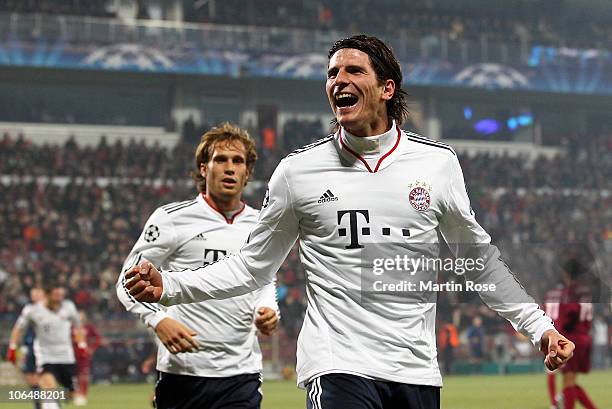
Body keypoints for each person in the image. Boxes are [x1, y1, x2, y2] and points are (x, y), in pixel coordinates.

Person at [126, 35, 574, 409]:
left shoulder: (437, 165)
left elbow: (478, 261)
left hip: (415, 368)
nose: (338, 80)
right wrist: (170, 286)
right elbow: (250, 267)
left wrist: (538, 327)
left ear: (386, 88)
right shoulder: (297, 173)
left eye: (353, 71)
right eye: (332, 73)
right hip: (337, 363)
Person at [116, 122, 279, 409]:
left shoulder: (260, 224)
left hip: (241, 373)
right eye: (220, 159)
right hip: (184, 372)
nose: (230, 168)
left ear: (247, 173)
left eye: (238, 161)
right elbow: (127, 283)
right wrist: (158, 320)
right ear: (204, 168)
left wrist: (267, 309)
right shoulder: (171, 219)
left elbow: (264, 279)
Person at [8, 282, 86, 409]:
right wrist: (12, 348)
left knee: (70, 393)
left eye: (61, 295)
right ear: (47, 296)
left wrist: (82, 345)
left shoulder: (68, 307)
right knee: (49, 387)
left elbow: (78, 326)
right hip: (45, 356)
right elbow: (18, 329)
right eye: (56, 295)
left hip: (66, 356)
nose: (59, 299)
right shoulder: (32, 310)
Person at [547, 258, 598, 409]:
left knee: (567, 382)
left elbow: (571, 313)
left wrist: (563, 335)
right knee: (571, 382)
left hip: (572, 338)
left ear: (565, 274)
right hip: (584, 337)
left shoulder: (570, 292)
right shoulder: (586, 291)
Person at [6, 287, 45, 409]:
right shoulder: (29, 309)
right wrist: (13, 347)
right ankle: (38, 405)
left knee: (45, 378)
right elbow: (18, 328)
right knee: (30, 377)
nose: (35, 296)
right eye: (33, 294)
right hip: (30, 346)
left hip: (46, 349)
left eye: (38, 293)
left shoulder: (51, 309)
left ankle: (52, 404)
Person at [72, 310, 102, 406]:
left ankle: (84, 395)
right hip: (72, 355)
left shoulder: (89, 327)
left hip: (84, 356)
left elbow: (98, 338)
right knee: (74, 376)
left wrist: (92, 349)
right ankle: (76, 394)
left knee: (84, 375)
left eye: (82, 317)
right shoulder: (71, 327)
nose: (80, 318)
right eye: (79, 316)